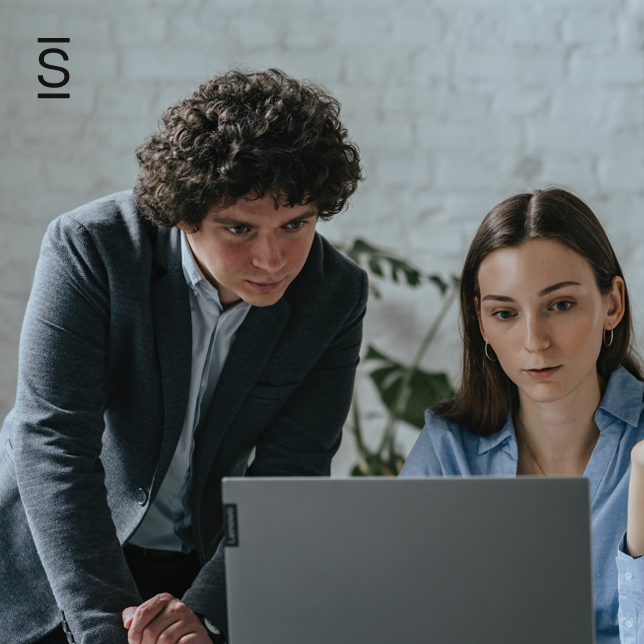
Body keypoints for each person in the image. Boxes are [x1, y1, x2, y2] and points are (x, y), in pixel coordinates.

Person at [0, 68, 367, 644]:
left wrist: (204, 617)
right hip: (57, 569)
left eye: (296, 224)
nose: (273, 259)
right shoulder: (91, 247)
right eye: (240, 229)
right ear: (184, 212)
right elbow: (53, 442)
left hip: (205, 573)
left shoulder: (335, 294)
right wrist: (105, 628)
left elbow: (289, 475)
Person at [401, 188, 644, 644]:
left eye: (561, 305)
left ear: (612, 303)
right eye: (506, 313)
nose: (535, 341)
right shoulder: (448, 453)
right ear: (481, 322)